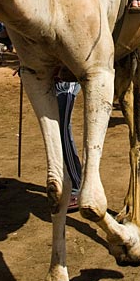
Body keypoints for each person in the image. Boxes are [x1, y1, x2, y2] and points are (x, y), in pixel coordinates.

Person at [56, 79, 83, 212]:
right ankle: (67, 182)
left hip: (66, 84)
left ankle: (77, 186)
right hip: (51, 83)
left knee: (63, 131)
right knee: (56, 133)